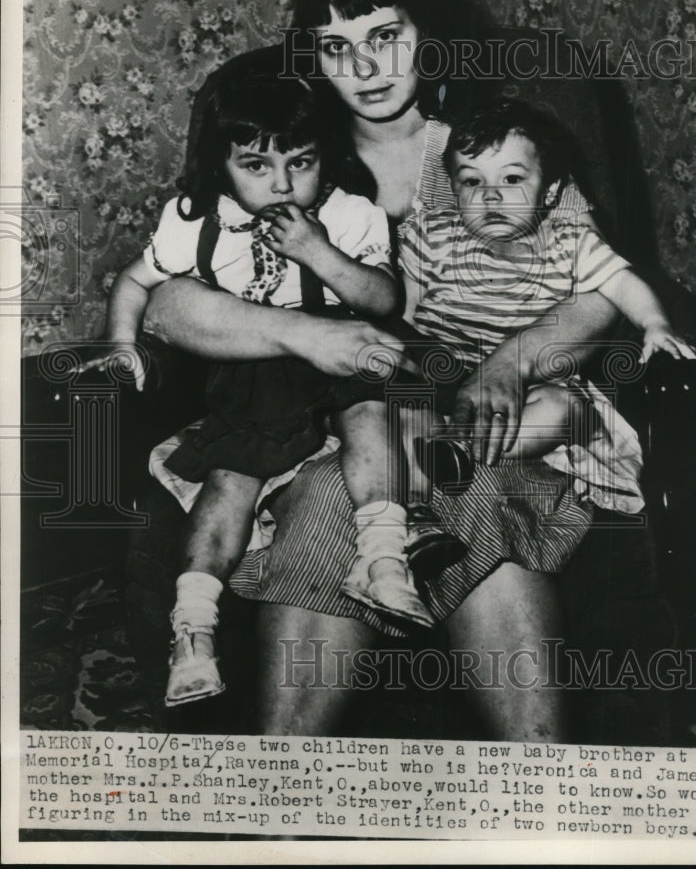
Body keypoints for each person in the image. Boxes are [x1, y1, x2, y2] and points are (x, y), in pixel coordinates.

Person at [141, 0, 671, 741]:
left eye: (384, 36)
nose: (366, 68)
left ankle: (541, 789)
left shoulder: (488, 147)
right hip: (330, 414)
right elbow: (165, 304)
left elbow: (597, 292)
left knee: (454, 476)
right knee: (338, 486)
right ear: (311, 59)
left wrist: (510, 361)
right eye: (336, 48)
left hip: (484, 406)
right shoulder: (290, 156)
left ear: (427, 34)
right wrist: (304, 335)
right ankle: (285, 799)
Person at [85, 58, 465, 708]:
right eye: (256, 166)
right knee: (230, 479)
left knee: (373, 417)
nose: (283, 183)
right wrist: (122, 346)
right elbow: (137, 281)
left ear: (327, 155)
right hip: (255, 372)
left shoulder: (348, 213)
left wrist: (319, 252)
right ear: (221, 164)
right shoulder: (194, 220)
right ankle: (194, 630)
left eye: (302, 162)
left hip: (344, 353)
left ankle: (383, 559)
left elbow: (381, 299)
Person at [402, 97, 696, 491]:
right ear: (452, 189)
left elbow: (622, 283)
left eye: (511, 180)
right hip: (445, 378)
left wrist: (655, 324)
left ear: (550, 191)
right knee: (396, 404)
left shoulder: (570, 243)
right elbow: (405, 315)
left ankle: (468, 446)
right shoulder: (431, 235)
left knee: (561, 409)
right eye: (472, 181)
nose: (491, 196)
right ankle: (449, 443)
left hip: (533, 389)